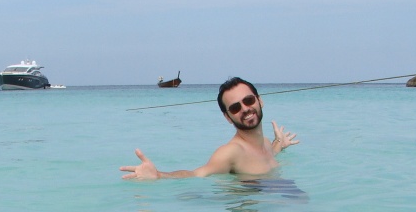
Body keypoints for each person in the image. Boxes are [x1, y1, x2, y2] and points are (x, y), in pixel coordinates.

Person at [120, 77, 299, 180]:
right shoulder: (231, 152)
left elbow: (267, 155)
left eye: (249, 100)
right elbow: (196, 174)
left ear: (260, 101)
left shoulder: (266, 143)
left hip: (271, 200)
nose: (245, 109)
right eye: (235, 108)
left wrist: (279, 144)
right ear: (228, 117)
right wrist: (159, 175)